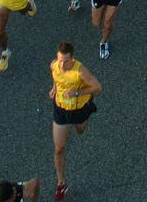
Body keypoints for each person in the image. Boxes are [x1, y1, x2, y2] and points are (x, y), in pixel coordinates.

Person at [49, 41, 102, 201]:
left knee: (80, 130)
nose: (62, 64)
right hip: (61, 110)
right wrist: (54, 88)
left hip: (78, 110)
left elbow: (98, 87)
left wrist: (77, 92)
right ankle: (61, 184)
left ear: (73, 59)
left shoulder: (80, 72)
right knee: (59, 148)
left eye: (66, 61)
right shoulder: (54, 65)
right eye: (60, 60)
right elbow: (56, 77)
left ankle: (86, 116)